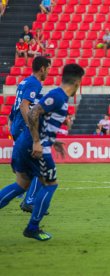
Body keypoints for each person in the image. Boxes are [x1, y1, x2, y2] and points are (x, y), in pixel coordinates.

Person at [0, 63, 84, 241]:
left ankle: (32, 222)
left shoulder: (58, 97)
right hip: (34, 146)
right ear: (76, 82)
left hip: (26, 143)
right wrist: (38, 142)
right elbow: (32, 114)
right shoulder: (57, 96)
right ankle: (32, 227)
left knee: (22, 184)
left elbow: (43, 121)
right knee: (50, 184)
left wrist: (53, 141)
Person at [8, 56, 51, 214]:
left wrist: (13, 123)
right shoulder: (34, 83)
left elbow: (16, 106)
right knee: (42, 167)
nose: (49, 71)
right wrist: (31, 128)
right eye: (48, 68)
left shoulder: (24, 82)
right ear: (42, 68)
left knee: (26, 172)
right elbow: (23, 106)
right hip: (22, 129)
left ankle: (28, 197)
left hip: (17, 127)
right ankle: (30, 200)